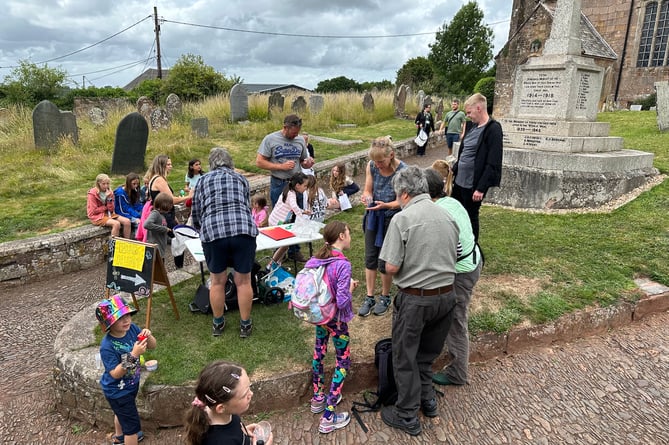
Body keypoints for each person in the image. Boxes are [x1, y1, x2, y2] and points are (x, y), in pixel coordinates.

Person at [378, 166, 459, 436]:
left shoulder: (403, 219)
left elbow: (389, 267)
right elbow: (456, 254)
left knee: (405, 357)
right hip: (447, 296)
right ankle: (429, 401)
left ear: (403, 193)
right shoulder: (447, 215)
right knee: (426, 356)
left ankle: (407, 414)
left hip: (416, 299)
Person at [191, 147, 259, 338]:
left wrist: (200, 228)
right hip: (243, 231)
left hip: (214, 233)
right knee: (243, 280)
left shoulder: (202, 181)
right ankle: (245, 325)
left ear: (211, 164)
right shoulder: (241, 178)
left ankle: (218, 323)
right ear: (230, 163)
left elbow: (196, 212)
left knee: (217, 281)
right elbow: (245, 205)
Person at [425, 168, 483, 387]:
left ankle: (458, 373)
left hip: (462, 272)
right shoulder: (452, 202)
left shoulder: (439, 213)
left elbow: (452, 251)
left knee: (456, 322)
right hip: (472, 262)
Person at [304, 221, 359, 434]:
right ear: (342, 237)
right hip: (336, 320)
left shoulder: (315, 259)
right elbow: (343, 301)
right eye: (349, 232)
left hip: (320, 318)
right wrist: (351, 287)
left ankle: (318, 397)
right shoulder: (343, 265)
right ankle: (328, 415)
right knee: (342, 360)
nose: (350, 235)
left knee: (319, 353)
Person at [95, 294, 156, 445]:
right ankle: (127, 436)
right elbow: (115, 373)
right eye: (120, 318)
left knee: (121, 414)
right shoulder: (107, 346)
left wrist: (149, 335)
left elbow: (152, 346)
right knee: (132, 430)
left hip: (129, 387)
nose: (126, 320)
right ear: (109, 324)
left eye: (127, 315)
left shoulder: (132, 329)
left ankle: (119, 437)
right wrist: (134, 355)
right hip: (117, 391)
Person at [358, 136, 407, 317]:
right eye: (375, 161)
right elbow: (368, 189)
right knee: (370, 256)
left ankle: (385, 296)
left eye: (381, 161)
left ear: (391, 155)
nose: (377, 165)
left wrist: (387, 205)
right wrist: (366, 197)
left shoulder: (403, 171)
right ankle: (370, 296)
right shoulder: (371, 166)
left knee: (386, 259)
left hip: (392, 218)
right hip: (374, 216)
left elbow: (404, 200)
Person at [255, 114, 314, 262]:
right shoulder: (270, 139)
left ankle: (294, 250)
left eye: (298, 132)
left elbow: (303, 161)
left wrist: (308, 164)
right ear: (285, 127)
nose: (296, 135)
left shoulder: (300, 140)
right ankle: (279, 251)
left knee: (296, 217)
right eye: (293, 132)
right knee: (280, 219)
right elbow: (260, 162)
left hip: (297, 184)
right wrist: (280, 166)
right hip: (279, 183)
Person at [451, 93, 503, 243]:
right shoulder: (472, 127)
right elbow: (465, 153)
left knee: (471, 216)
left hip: (473, 185)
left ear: (479, 108)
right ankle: (458, 243)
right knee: (456, 213)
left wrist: (481, 188)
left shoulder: (493, 129)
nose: (468, 116)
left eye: (469, 112)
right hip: (459, 181)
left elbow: (493, 161)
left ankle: (472, 248)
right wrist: (454, 169)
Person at [184, 360, 273, 445]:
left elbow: (230, 431)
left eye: (249, 387)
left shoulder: (223, 412)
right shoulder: (220, 442)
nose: (251, 394)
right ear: (221, 408)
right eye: (244, 395)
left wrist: (243, 431)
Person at [145, 155, 192, 268]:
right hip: (164, 216)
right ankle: (178, 268)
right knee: (179, 239)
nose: (171, 167)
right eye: (168, 164)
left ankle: (166, 269)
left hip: (167, 215)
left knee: (175, 239)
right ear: (162, 166)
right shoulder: (159, 180)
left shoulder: (156, 178)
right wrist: (188, 196)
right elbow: (171, 200)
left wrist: (173, 216)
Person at [267, 172, 310, 265]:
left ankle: (276, 263)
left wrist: (303, 211)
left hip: (276, 221)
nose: (306, 188)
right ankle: (273, 264)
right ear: (298, 185)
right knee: (284, 245)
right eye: (305, 186)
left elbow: (292, 207)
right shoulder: (291, 194)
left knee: (284, 245)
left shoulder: (289, 190)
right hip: (277, 223)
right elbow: (294, 207)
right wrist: (302, 219)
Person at [87, 173, 131, 239]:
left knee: (127, 222)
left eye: (107, 183)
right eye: (103, 184)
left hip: (108, 213)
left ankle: (127, 243)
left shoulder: (109, 192)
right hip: (97, 216)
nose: (106, 186)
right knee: (116, 224)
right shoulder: (92, 194)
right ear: (98, 183)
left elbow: (111, 209)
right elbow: (93, 211)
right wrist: (105, 207)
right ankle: (113, 247)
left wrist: (108, 199)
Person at [142, 192, 174, 261]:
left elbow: (163, 233)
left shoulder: (162, 216)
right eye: (170, 204)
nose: (171, 206)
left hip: (161, 251)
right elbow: (147, 224)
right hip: (154, 250)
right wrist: (165, 229)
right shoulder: (155, 213)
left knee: (160, 269)